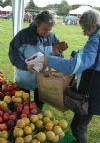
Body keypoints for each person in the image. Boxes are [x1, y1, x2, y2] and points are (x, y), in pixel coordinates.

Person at [36, 9, 100, 143]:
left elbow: (72, 67)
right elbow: (93, 58)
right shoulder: (97, 36)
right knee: (79, 124)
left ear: (93, 26)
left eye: (85, 29)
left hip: (93, 92)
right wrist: (77, 53)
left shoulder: (95, 41)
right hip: (94, 89)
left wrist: (49, 59)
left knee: (78, 126)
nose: (84, 33)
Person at [9, 10, 64, 109]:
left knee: (39, 107)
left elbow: (59, 57)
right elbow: (13, 53)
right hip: (24, 77)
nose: (47, 33)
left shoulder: (52, 37)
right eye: (44, 29)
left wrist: (58, 54)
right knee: (23, 105)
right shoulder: (23, 35)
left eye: (49, 29)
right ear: (37, 24)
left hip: (43, 80)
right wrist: (25, 66)